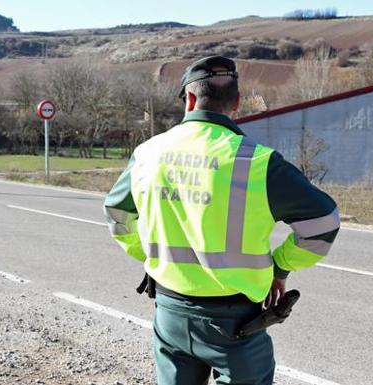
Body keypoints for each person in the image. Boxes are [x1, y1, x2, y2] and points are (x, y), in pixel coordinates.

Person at [103, 55, 340, 385]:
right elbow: (323, 222)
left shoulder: (148, 154)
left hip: (170, 313)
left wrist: (149, 256)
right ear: (238, 103)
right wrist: (280, 266)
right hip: (235, 326)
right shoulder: (258, 162)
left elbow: (116, 213)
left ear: (189, 99)